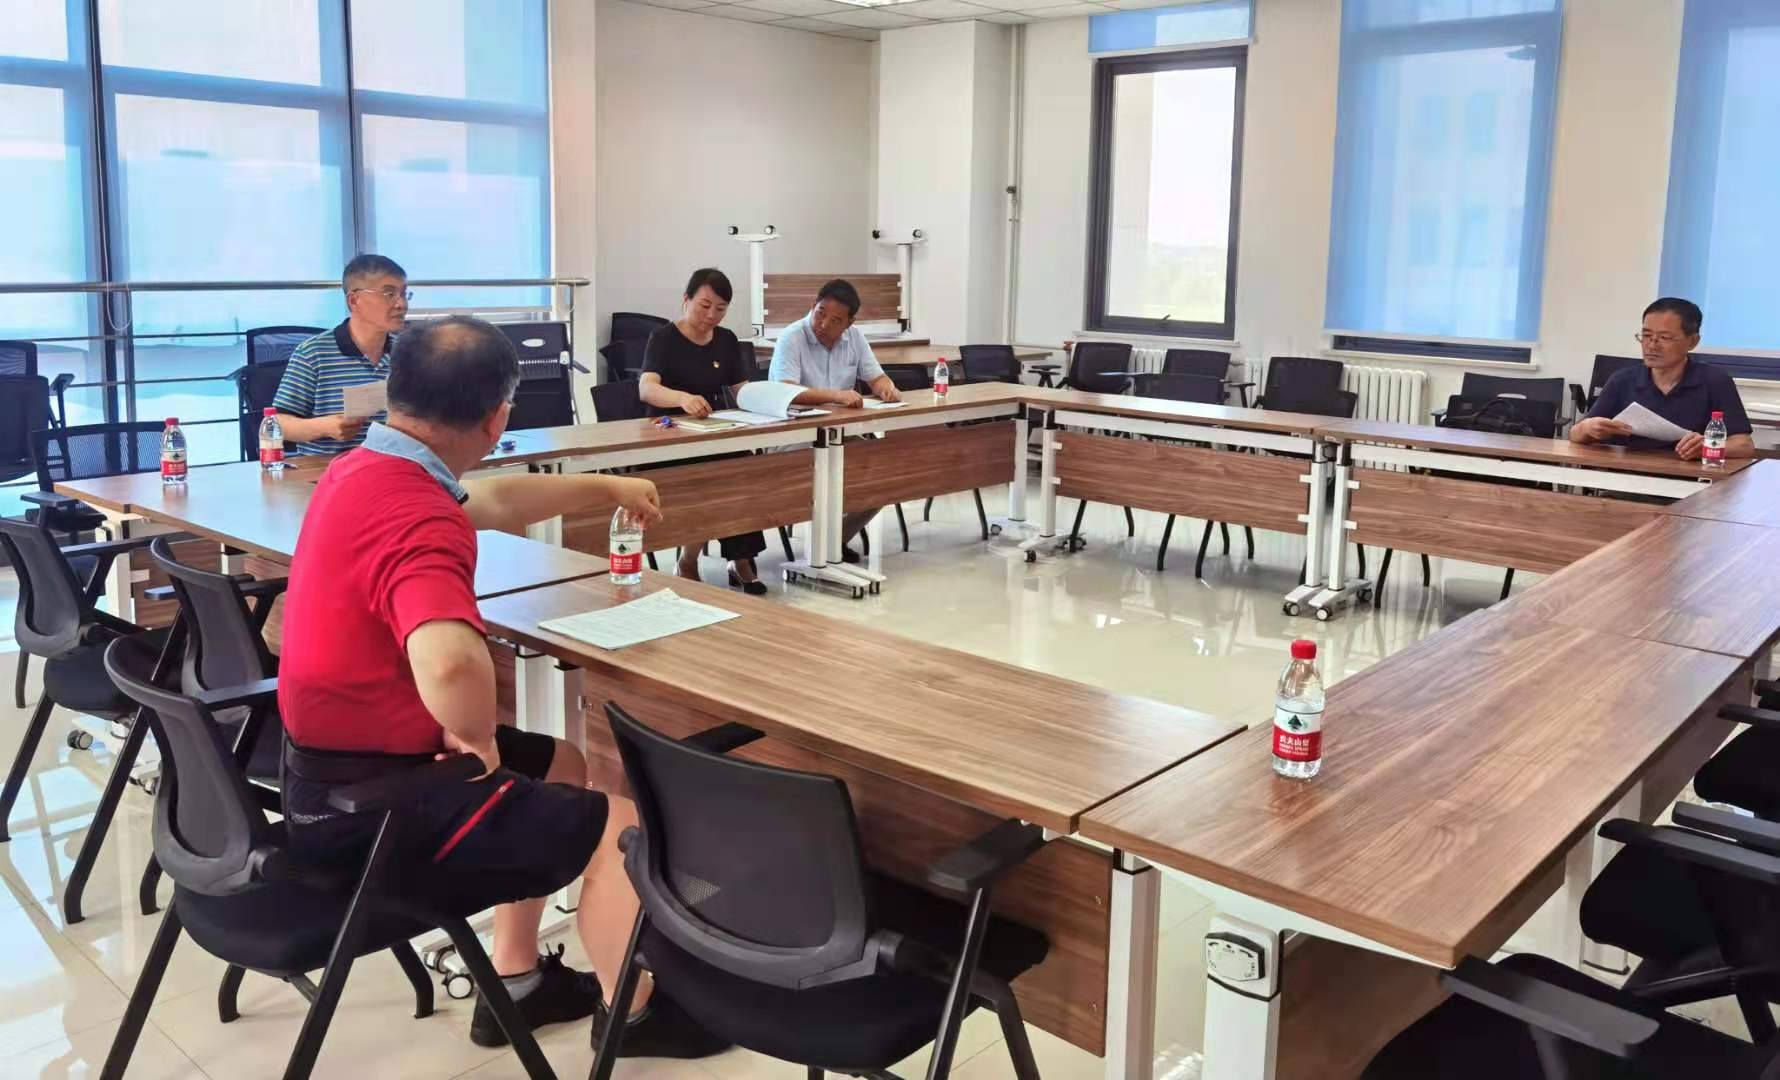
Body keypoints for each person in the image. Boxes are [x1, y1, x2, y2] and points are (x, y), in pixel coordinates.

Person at [277, 316, 727, 1057]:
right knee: (622, 832)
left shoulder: (366, 468)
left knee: (562, 765)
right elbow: (450, 664)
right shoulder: (417, 515)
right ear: (498, 419)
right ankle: (636, 1016)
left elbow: (489, 504)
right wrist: (476, 736)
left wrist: (605, 484)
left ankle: (516, 980)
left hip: (326, 775)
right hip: (370, 808)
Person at [638, 268, 769, 594]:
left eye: (721, 309)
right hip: (669, 436)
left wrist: (772, 402)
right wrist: (681, 398)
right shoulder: (664, 338)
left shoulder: (726, 340)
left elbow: (740, 389)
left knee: (744, 470)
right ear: (686, 300)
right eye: (705, 305)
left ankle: (741, 559)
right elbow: (647, 388)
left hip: (712, 430)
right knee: (702, 479)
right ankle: (688, 559)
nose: (712, 315)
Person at [769, 278, 902, 560]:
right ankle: (822, 548)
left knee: (884, 475)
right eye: (820, 313)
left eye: (835, 320)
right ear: (813, 305)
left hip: (840, 436)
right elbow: (786, 391)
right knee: (824, 475)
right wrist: (837, 396)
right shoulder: (792, 337)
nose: (823, 324)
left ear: (849, 323)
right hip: (793, 437)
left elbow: (877, 377)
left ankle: (833, 541)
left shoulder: (855, 338)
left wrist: (886, 388)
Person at [1570, 297, 1755, 460]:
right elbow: (1575, 434)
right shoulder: (1622, 380)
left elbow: (1744, 445)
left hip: (1690, 480)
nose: (1652, 345)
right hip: (1627, 476)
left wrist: (1707, 447)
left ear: (1692, 341)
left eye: (1664, 337)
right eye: (1646, 335)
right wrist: (1588, 428)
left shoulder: (1715, 381)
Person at [271, 254, 407, 455]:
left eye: (404, 294)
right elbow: (277, 424)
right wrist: (323, 427)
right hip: (329, 468)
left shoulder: (406, 353)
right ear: (354, 300)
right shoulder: (313, 353)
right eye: (389, 294)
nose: (401, 304)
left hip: (391, 465)